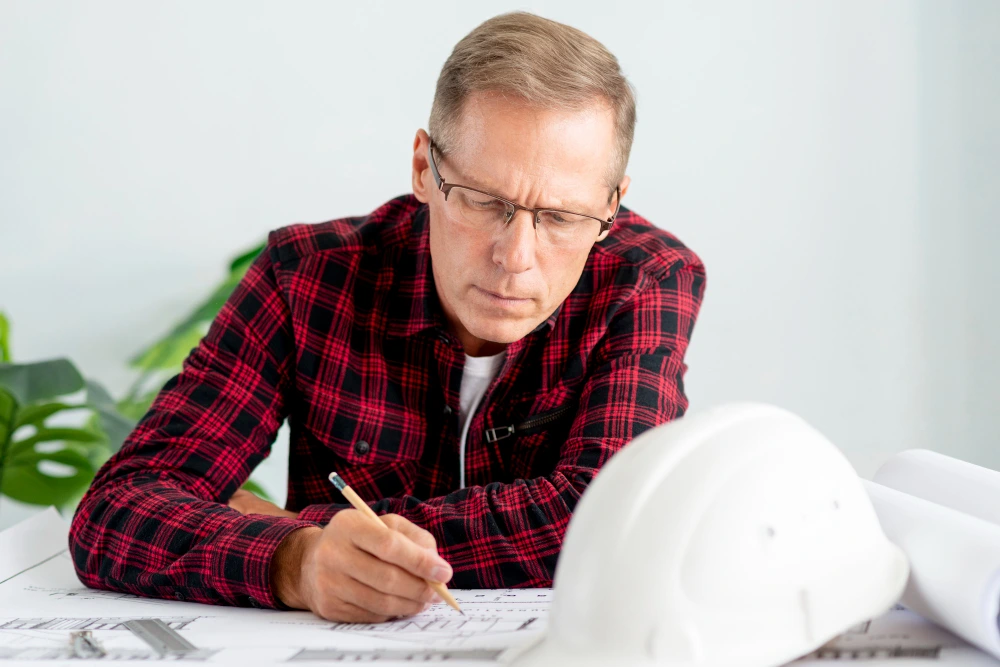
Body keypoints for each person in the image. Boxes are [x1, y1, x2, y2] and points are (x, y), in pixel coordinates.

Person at [69, 11, 705, 623]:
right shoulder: (307, 276)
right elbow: (115, 511)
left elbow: (603, 518)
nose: (516, 258)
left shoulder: (646, 281)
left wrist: (296, 528)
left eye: (562, 218)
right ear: (425, 168)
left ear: (613, 205)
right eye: (484, 201)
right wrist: (297, 564)